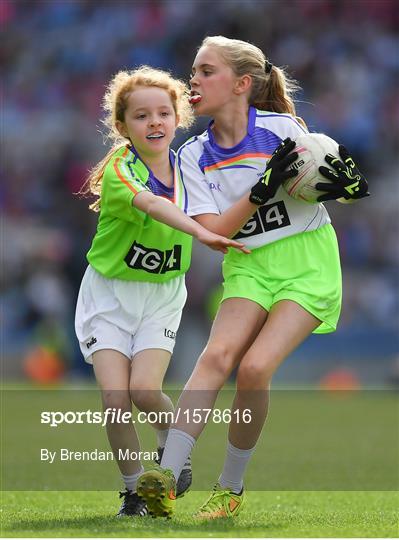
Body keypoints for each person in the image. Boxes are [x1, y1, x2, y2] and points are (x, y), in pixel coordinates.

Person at [136, 36, 369, 519]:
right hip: (246, 262)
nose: (192, 82)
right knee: (216, 356)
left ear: (242, 84)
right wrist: (263, 190)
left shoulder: (283, 128)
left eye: (206, 71)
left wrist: (350, 186)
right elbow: (213, 231)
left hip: (306, 262)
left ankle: (230, 488)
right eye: (193, 71)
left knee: (255, 369)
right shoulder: (192, 155)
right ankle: (165, 479)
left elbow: (333, 183)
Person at [74, 65, 247, 518]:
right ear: (122, 125)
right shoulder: (120, 167)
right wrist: (202, 233)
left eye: (163, 113)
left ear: (177, 118)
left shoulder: (191, 163)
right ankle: (135, 494)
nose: (154, 122)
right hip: (109, 297)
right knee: (116, 400)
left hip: (161, 296)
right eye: (141, 115)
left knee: (146, 391)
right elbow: (152, 203)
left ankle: (174, 455)